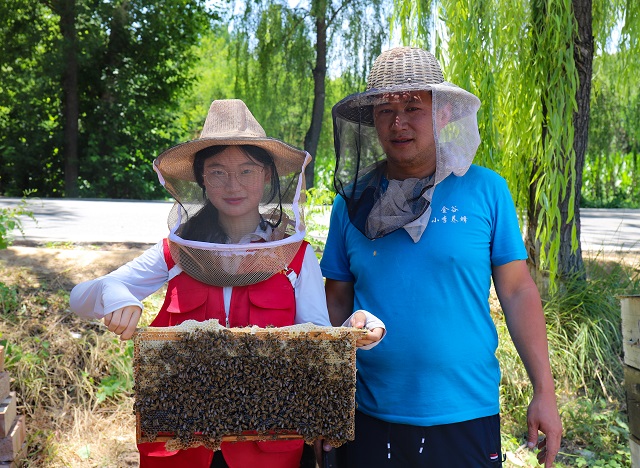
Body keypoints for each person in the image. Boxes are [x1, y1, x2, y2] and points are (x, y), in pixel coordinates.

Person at [70, 99, 384, 468]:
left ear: (267, 176)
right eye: (218, 171)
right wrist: (115, 294)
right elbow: (80, 299)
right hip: (181, 446)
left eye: (247, 171)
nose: (233, 184)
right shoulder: (174, 254)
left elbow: (314, 336)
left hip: (268, 445)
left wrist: (350, 331)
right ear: (202, 178)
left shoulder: (296, 257)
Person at [319, 47, 562, 467]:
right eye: (385, 110)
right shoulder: (352, 204)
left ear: (443, 114)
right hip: (367, 414)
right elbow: (335, 298)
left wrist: (544, 391)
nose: (398, 123)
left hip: (465, 414)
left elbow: (519, 292)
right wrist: (324, 395)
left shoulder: (487, 190)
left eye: (414, 107)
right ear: (371, 120)